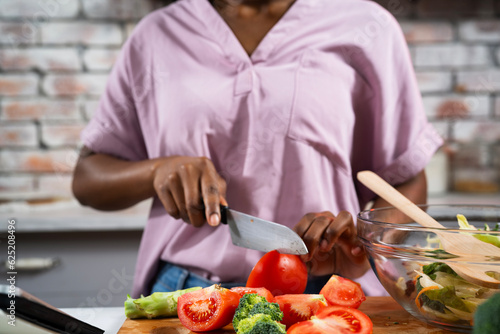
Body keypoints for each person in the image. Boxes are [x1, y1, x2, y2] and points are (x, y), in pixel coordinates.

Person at [72, 0, 443, 298]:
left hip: (328, 294)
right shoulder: (156, 35)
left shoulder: (367, 24)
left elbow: (406, 181)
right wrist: (156, 172)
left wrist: (365, 243)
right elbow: (88, 177)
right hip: (187, 292)